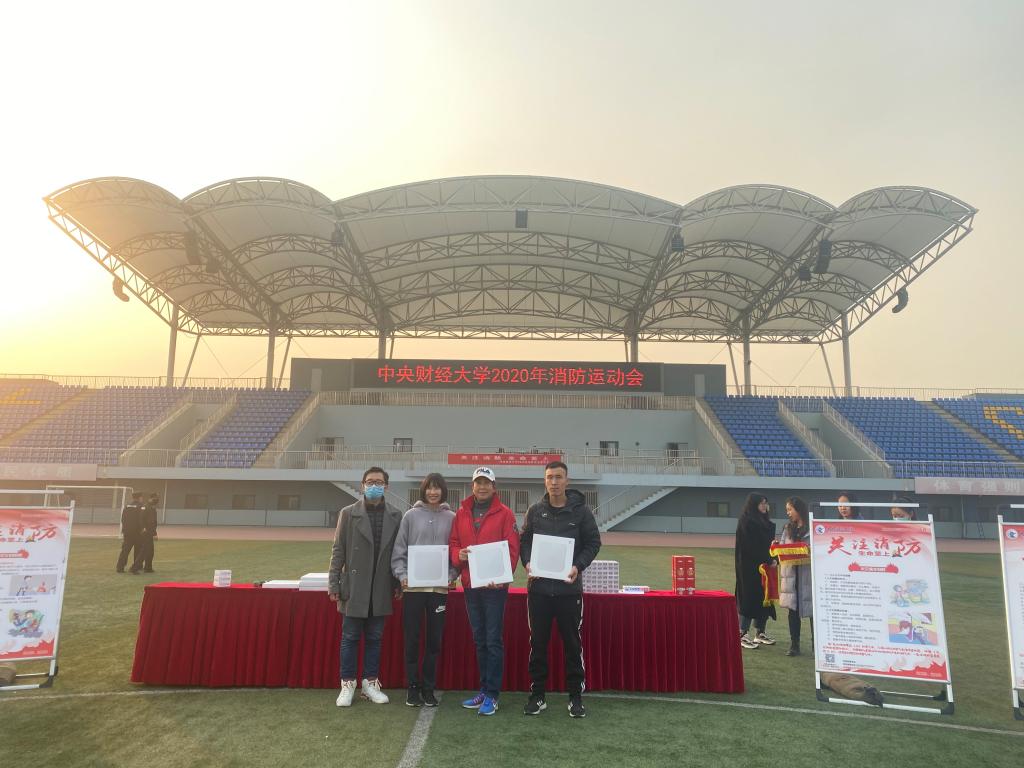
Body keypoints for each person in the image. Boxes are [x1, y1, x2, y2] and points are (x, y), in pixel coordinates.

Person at [520, 460, 602, 719]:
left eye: (558, 477)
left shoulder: (581, 512)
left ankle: (575, 697)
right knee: (538, 644)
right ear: (544, 481)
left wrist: (578, 566)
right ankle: (537, 695)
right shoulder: (535, 511)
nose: (554, 482)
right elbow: (524, 542)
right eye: (549, 477)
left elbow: (593, 543)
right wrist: (528, 562)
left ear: (567, 481)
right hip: (539, 591)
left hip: (569, 592)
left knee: (572, 645)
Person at [328, 466, 403, 707]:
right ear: (362, 485)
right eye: (370, 482)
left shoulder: (396, 515)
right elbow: (338, 550)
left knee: (375, 638)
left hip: (381, 586)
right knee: (350, 637)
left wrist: (398, 583)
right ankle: (347, 684)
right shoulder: (348, 513)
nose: (374, 486)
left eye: (379, 482)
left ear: (386, 486)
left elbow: (398, 553)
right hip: (354, 585)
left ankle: (370, 684)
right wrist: (333, 582)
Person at [449, 466, 519, 716]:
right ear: (472, 486)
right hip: (471, 585)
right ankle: (484, 689)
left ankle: (492, 694)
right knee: (480, 640)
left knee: (492, 640)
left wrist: (501, 578)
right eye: (478, 482)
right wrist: (456, 555)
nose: (482, 487)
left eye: (486, 483)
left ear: (494, 487)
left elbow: (512, 550)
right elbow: (454, 543)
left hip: (494, 588)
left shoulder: (505, 514)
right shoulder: (461, 513)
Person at [391, 473, 456, 708]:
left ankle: (428, 688)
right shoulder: (410, 516)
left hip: (439, 590)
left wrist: (451, 576)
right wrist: (402, 576)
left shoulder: (452, 518)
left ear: (443, 491)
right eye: (429, 488)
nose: (433, 492)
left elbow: (455, 553)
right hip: (413, 590)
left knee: (434, 641)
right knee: (412, 638)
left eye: (437, 488)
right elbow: (399, 552)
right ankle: (413, 687)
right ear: (423, 490)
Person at [734, 493, 777, 649]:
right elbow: (750, 547)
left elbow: (767, 545)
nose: (764, 506)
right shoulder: (746, 522)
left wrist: (773, 556)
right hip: (748, 567)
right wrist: (768, 558)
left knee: (764, 597)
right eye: (761, 503)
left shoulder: (765, 522)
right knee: (748, 598)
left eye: (766, 503)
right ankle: (742, 633)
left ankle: (760, 632)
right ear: (754, 505)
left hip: (764, 567)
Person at [779, 496, 813, 656]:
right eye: (787, 510)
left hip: (808, 575)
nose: (788, 513)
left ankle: (816, 646)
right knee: (792, 611)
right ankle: (794, 645)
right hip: (791, 575)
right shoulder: (787, 529)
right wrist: (776, 547)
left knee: (813, 611)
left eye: (790, 509)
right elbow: (782, 547)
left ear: (798, 509)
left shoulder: (812, 527)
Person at [115, 492, 144, 574]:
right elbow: (141, 519)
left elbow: (123, 519)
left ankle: (120, 567)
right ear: (140, 497)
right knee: (138, 550)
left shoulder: (127, 506)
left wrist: (125, 529)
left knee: (125, 550)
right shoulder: (141, 506)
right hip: (137, 532)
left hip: (127, 532)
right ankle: (137, 567)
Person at [132, 493, 159, 573]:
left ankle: (148, 568)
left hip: (149, 531)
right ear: (150, 498)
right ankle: (134, 568)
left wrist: (153, 532)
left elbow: (152, 522)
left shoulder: (150, 507)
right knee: (145, 551)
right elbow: (144, 520)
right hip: (147, 532)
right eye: (155, 498)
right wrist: (145, 529)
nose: (156, 499)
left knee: (150, 551)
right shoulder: (147, 507)